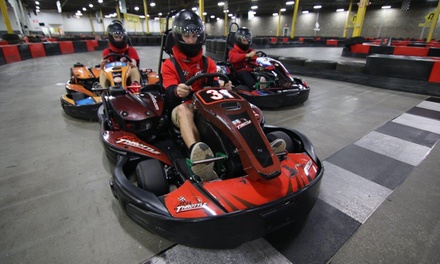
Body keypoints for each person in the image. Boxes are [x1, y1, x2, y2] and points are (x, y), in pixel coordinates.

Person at [161, 9, 232, 181]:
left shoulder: (209, 63)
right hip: (181, 107)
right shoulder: (169, 65)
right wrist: (177, 91)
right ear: (179, 36)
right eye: (187, 36)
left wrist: (223, 88)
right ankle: (200, 159)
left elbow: (213, 86)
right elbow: (169, 93)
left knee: (234, 102)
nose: (191, 40)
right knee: (184, 110)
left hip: (205, 104)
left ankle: (251, 146)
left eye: (195, 36)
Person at [99, 20, 141, 88]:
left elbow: (134, 64)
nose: (118, 39)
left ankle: (135, 87)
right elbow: (104, 67)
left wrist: (132, 63)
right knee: (102, 71)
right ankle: (104, 90)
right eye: (116, 37)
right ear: (111, 37)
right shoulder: (107, 51)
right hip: (112, 74)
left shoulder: (130, 50)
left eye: (120, 37)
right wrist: (102, 65)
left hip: (126, 74)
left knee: (134, 69)